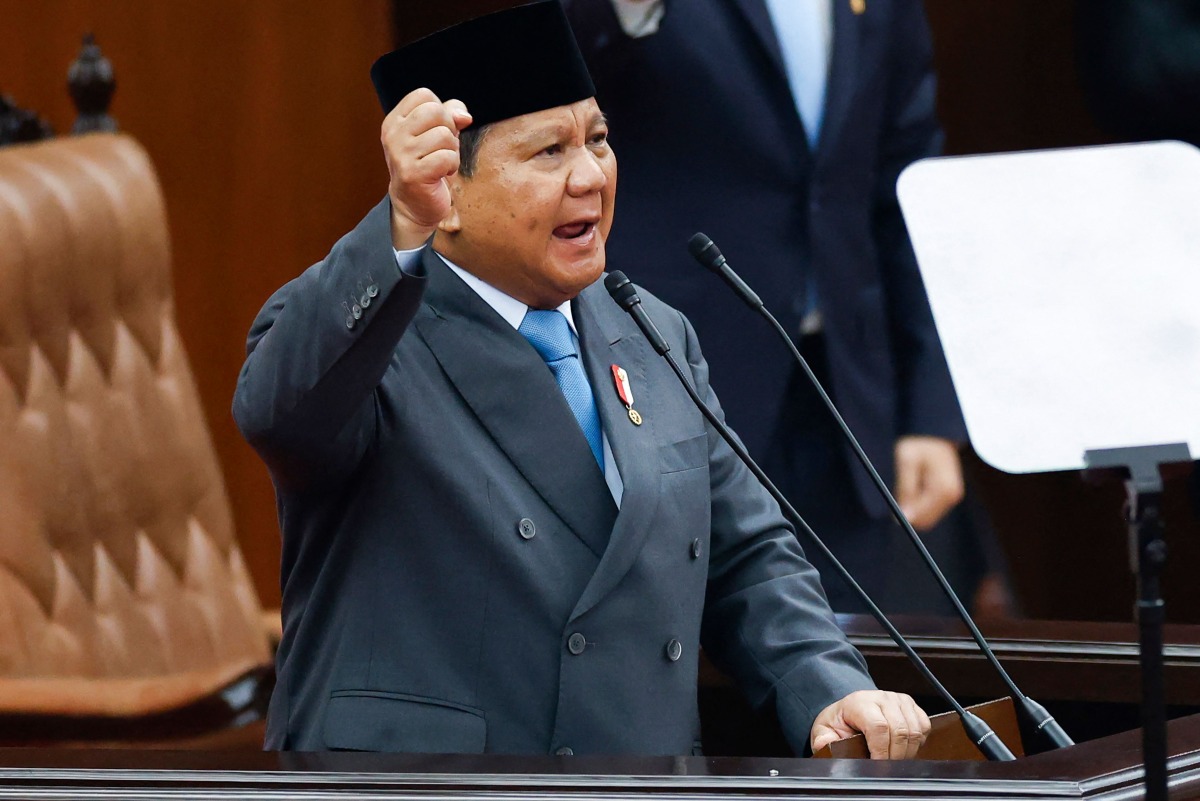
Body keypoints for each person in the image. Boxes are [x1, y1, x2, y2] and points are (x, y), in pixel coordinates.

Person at [233, 1, 930, 758]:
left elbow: (745, 557)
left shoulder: (654, 332)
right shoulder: (369, 332)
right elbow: (279, 411)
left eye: (598, 139)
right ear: (449, 196)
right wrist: (397, 220)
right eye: (548, 152)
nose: (590, 176)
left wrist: (826, 684)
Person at [564, 0, 985, 613]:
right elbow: (560, 65)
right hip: (676, 375)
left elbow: (906, 184)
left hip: (843, 390)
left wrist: (930, 410)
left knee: (846, 662)